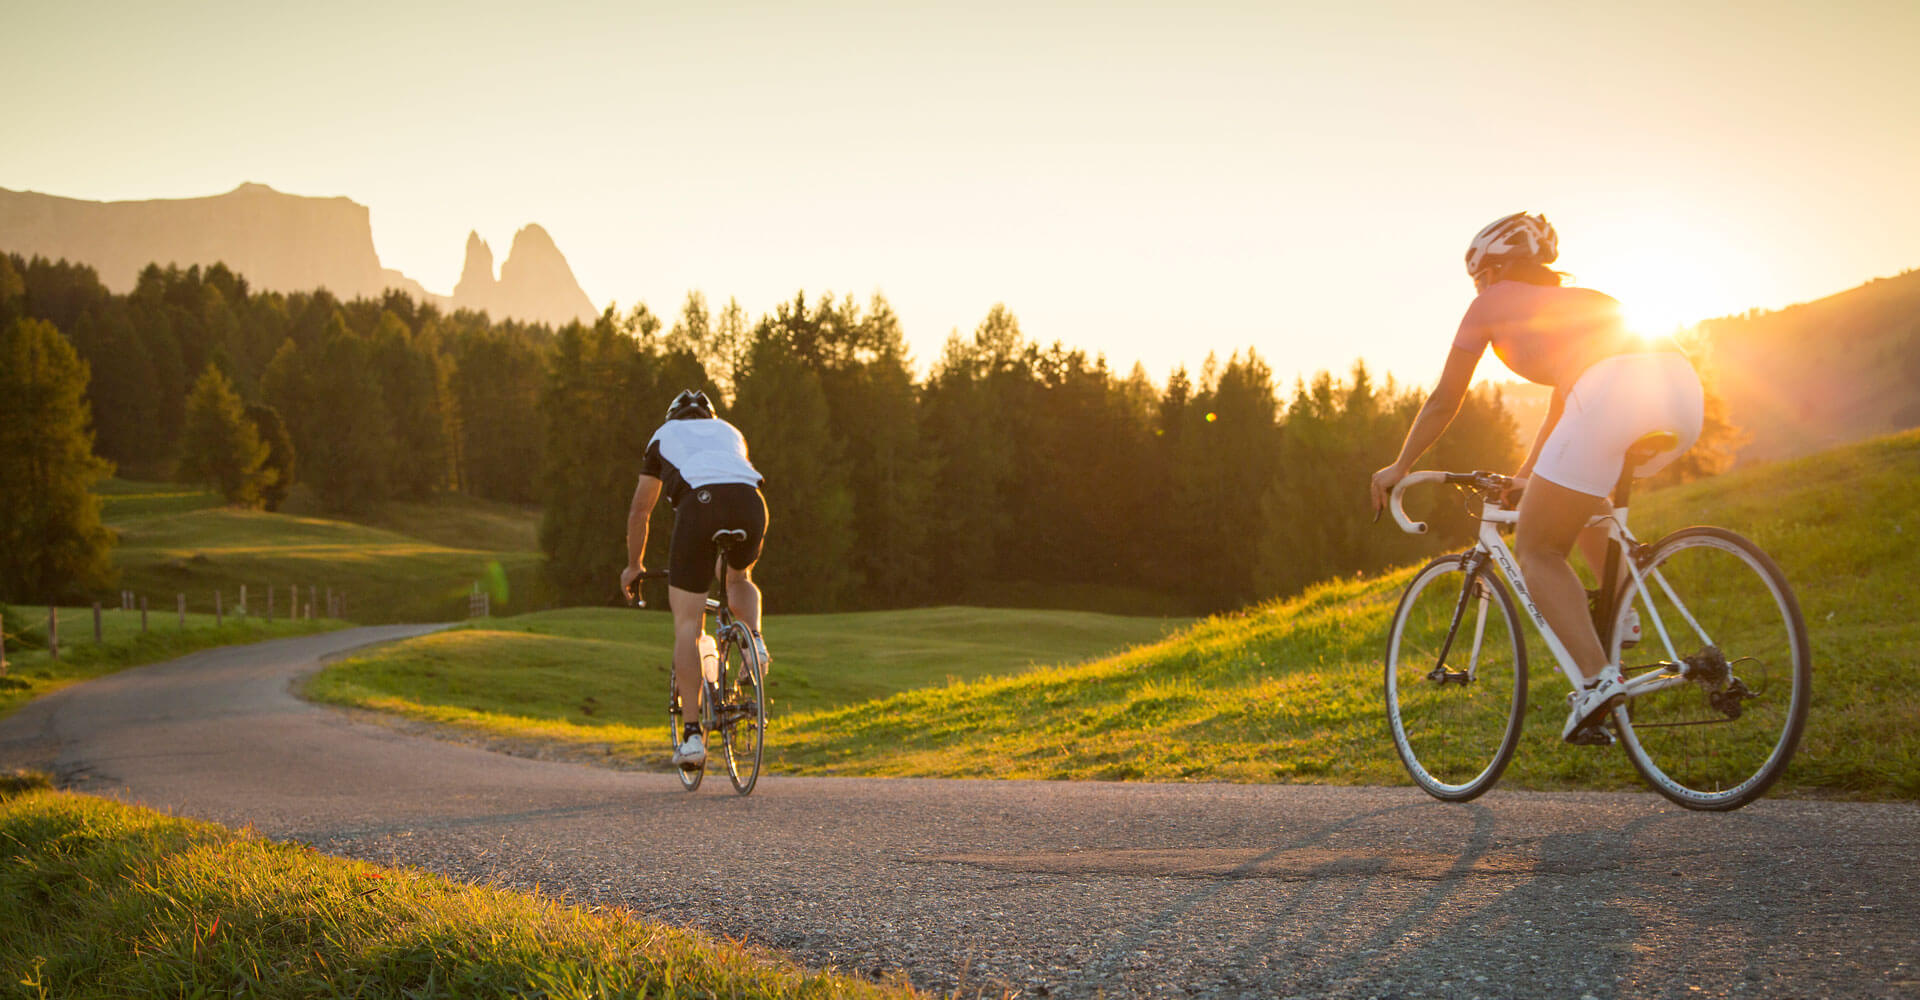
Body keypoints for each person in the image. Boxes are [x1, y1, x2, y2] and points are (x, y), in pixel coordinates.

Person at [1368, 212, 1704, 741]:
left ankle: (1597, 682)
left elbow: (1444, 399)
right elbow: (1562, 412)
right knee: (1584, 500)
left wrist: (1400, 464)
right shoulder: (1580, 305)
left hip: (1611, 390)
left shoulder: (1490, 303)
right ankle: (1623, 616)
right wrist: (1526, 476)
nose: (1478, 287)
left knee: (1538, 550)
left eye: (1479, 276)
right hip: (1681, 391)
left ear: (1496, 269)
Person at [620, 389, 769, 768]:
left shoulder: (662, 436)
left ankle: (691, 738)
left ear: (673, 417)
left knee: (688, 623)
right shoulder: (731, 431)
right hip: (752, 503)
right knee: (738, 578)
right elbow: (730, 479)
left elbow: (641, 510)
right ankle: (755, 643)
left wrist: (634, 564)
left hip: (700, 506)